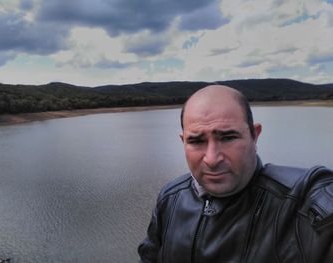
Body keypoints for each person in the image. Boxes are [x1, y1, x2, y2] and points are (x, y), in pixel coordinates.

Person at [138, 85, 333, 263]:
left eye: (228, 137)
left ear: (254, 136)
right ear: (183, 142)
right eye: (196, 141)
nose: (212, 159)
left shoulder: (298, 199)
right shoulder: (170, 198)